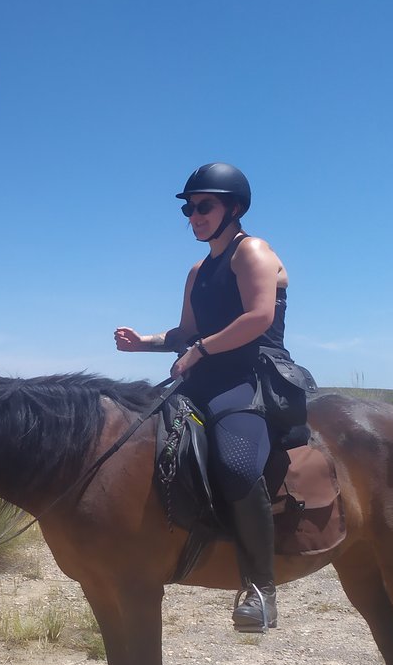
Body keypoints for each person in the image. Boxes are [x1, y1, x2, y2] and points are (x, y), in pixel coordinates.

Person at [114, 162, 303, 633]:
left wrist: (197, 350)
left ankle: (260, 588)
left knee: (237, 465)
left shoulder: (252, 252)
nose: (193, 215)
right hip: (202, 376)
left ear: (233, 208)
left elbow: (258, 318)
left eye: (204, 206)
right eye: (188, 208)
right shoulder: (199, 270)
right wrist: (147, 343)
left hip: (249, 377)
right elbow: (185, 331)